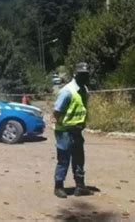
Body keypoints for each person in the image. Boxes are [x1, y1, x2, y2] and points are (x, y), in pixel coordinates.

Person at [52, 62, 93, 198]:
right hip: (64, 131)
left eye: (86, 74)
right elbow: (56, 112)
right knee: (64, 159)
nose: (84, 77)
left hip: (77, 131)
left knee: (79, 158)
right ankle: (58, 186)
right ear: (75, 74)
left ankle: (80, 186)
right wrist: (62, 126)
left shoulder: (84, 90)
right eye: (81, 74)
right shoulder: (67, 91)